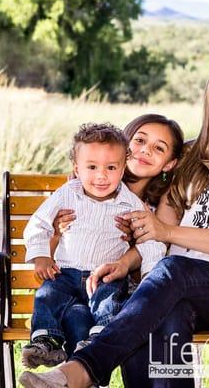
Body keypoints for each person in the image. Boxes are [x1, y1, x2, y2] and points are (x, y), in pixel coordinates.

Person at [19, 49, 209, 388]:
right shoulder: (195, 157)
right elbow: (153, 224)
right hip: (176, 286)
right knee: (160, 312)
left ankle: (84, 368)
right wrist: (128, 259)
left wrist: (168, 231)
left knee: (173, 272)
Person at [21, 123, 170, 369]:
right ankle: (46, 342)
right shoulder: (67, 194)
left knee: (105, 302)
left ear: (122, 168)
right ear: (76, 168)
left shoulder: (130, 204)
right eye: (92, 167)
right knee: (48, 295)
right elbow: (39, 223)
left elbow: (151, 241)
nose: (101, 176)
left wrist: (148, 277)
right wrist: (41, 256)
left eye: (111, 168)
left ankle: (99, 340)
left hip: (105, 275)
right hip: (65, 273)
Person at [47, 114, 185, 357]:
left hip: (125, 292)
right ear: (125, 144)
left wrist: (128, 253)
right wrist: (58, 231)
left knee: (133, 317)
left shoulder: (163, 203)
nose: (145, 151)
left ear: (169, 164)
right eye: (139, 140)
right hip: (74, 283)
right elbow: (51, 243)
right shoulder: (84, 187)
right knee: (75, 314)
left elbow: (155, 250)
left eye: (158, 148)